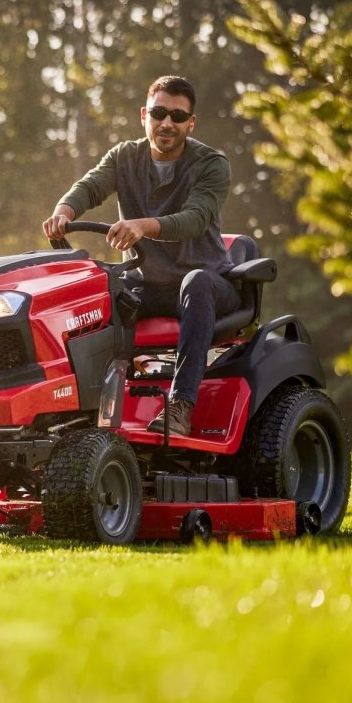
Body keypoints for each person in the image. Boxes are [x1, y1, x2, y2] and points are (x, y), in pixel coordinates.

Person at [42, 75, 238, 438]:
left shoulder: (212, 164)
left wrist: (141, 226)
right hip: (148, 282)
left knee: (197, 282)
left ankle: (180, 407)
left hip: (208, 284)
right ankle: (78, 406)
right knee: (98, 288)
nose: (167, 123)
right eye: (160, 113)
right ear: (144, 115)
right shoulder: (124, 157)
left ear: (190, 123)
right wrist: (64, 212)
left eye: (178, 117)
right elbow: (89, 187)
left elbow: (195, 219)